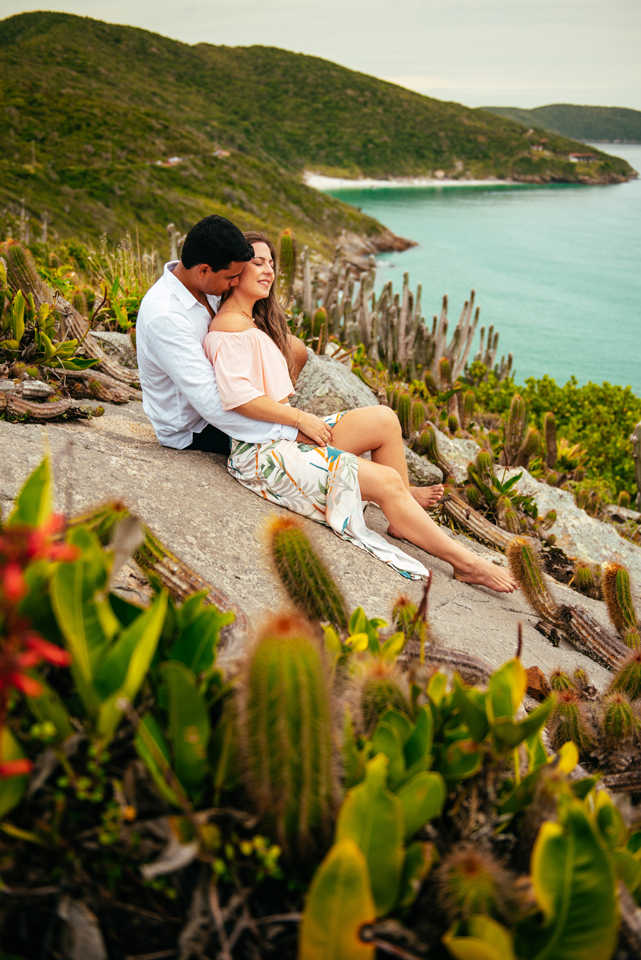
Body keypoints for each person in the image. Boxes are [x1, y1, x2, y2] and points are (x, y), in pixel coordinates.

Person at [204, 231, 518, 592]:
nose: (269, 271)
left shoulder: (254, 321)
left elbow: (287, 360)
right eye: (257, 263)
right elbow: (237, 397)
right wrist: (299, 418)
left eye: (272, 263)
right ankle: (467, 563)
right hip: (263, 454)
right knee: (385, 481)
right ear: (236, 272)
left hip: (284, 435)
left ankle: (402, 515)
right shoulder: (229, 326)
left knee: (385, 418)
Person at [136, 214, 309, 455]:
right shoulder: (166, 317)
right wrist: (292, 428)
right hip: (197, 428)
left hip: (228, 392)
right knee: (320, 442)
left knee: (294, 348)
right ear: (204, 271)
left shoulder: (201, 281)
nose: (236, 281)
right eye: (230, 277)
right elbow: (211, 403)